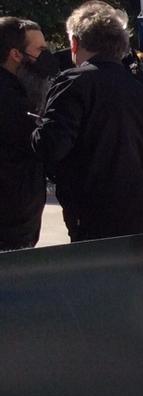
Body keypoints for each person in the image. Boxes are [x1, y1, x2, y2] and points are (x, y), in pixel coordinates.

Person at [32, 1, 143, 242]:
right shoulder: (138, 88)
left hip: (95, 215)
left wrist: (35, 128)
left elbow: (52, 145)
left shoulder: (73, 82)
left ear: (75, 43)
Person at [1, 16, 54, 251]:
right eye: (40, 50)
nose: (46, 57)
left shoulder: (17, 92)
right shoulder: (10, 99)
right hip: (11, 225)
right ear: (16, 54)